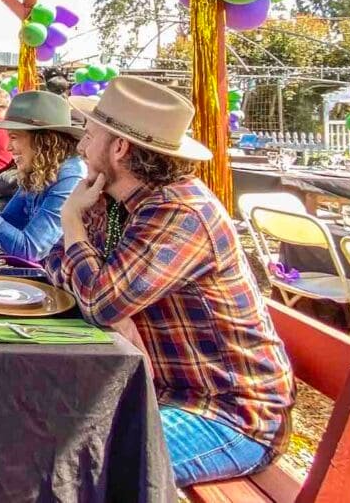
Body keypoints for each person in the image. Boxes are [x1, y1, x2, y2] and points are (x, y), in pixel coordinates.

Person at [47, 76, 294, 487]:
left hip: (230, 416)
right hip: (159, 394)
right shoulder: (110, 200)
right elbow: (55, 262)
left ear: (120, 148)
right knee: (40, 428)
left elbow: (98, 302)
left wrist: (71, 222)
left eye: (90, 135)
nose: (81, 147)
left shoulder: (180, 211)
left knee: (75, 468)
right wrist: (103, 299)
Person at [0, 91, 85, 261]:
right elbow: (9, 224)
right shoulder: (41, 167)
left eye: (13, 137)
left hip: (46, 281)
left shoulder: (71, 176)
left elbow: (30, 250)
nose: (8, 147)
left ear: (44, 141)